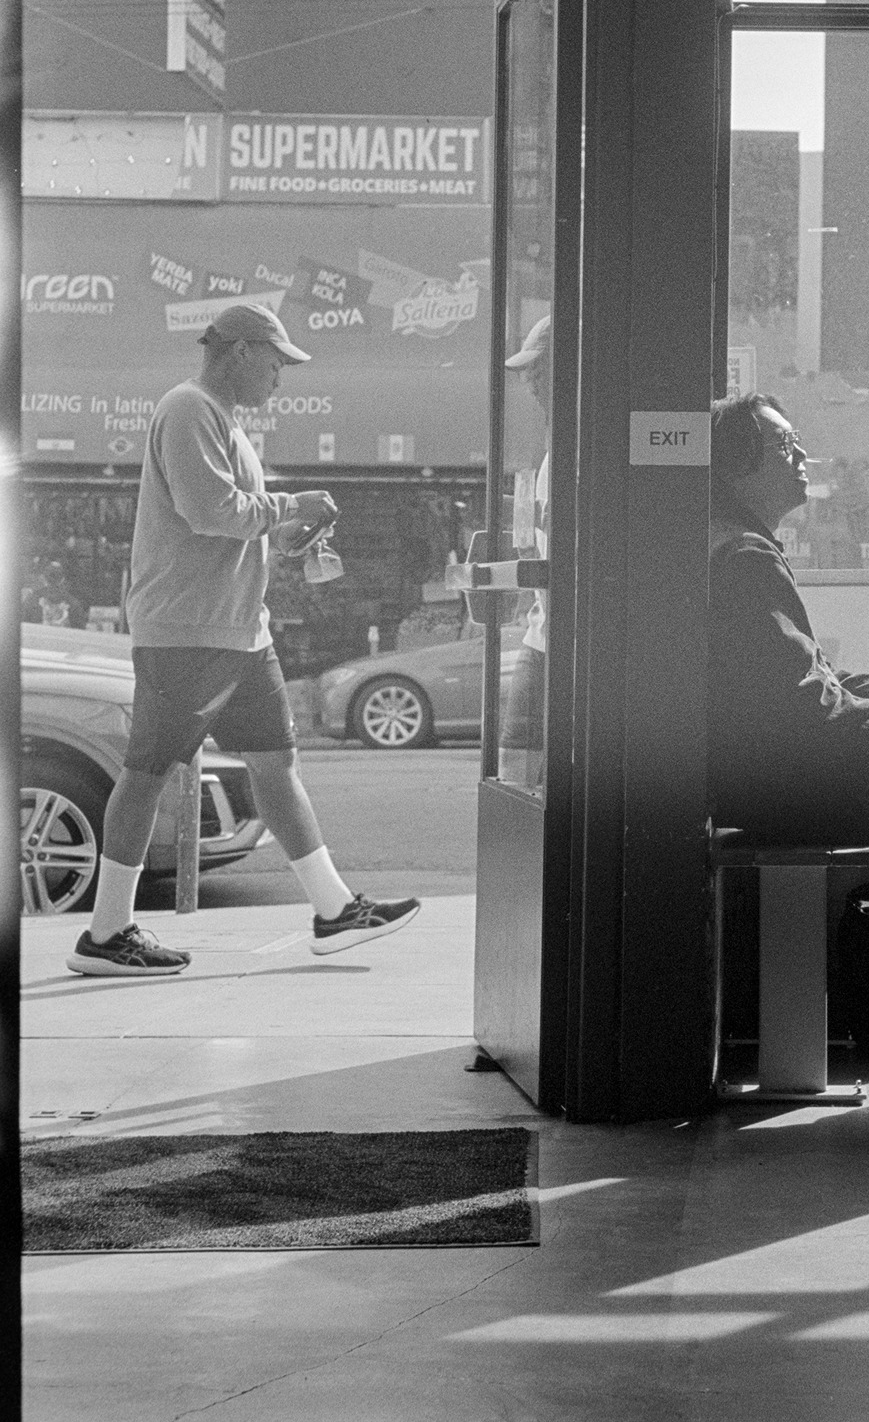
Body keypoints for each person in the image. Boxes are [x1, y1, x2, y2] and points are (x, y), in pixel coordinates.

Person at [66, 301, 421, 978]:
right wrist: (292, 507)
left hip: (234, 630)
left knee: (275, 763)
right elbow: (209, 511)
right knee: (146, 774)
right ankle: (106, 934)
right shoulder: (188, 407)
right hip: (191, 633)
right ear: (239, 351)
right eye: (277, 361)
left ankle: (334, 909)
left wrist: (290, 530)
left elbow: (230, 519)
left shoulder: (217, 418)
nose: (282, 377)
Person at [707, 391, 869, 893]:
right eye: (784, 443)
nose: (800, 456)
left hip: (756, 784)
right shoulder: (746, 557)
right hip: (778, 793)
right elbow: (801, 705)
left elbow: (809, 676)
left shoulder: (730, 542)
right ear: (736, 462)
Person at [497, 314, 550, 785]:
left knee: (521, 768)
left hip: (564, 641)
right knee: (516, 768)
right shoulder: (556, 446)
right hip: (544, 634)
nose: (529, 379)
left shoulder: (580, 444)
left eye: (539, 367)